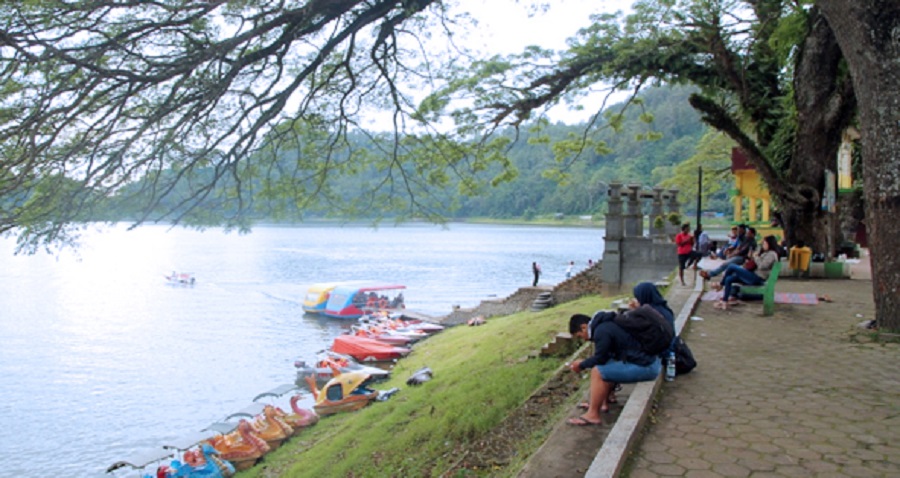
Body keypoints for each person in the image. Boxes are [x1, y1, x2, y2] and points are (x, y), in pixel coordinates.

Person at [567, 311, 662, 426]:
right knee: (607, 365)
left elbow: (600, 359)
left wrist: (581, 365)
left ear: (584, 327)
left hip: (646, 367)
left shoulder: (601, 331)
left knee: (597, 372)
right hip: (650, 362)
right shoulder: (606, 324)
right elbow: (606, 358)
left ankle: (592, 415)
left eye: (580, 336)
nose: (584, 340)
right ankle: (603, 402)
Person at [711, 235, 781, 310]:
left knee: (731, 266)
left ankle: (721, 285)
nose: (763, 245)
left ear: (769, 243)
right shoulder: (768, 253)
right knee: (729, 279)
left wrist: (756, 256)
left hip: (757, 278)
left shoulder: (771, 254)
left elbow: (761, 266)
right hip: (754, 275)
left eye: (764, 243)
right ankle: (724, 301)